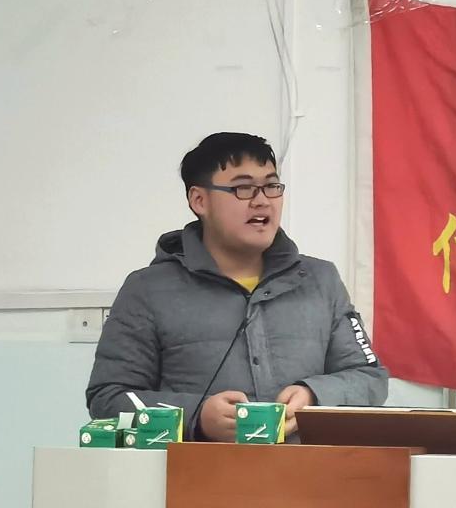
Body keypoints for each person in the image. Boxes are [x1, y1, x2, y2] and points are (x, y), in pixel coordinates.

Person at [86, 132, 388, 440]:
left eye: (271, 186)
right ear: (199, 200)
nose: (262, 200)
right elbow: (108, 398)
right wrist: (197, 417)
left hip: (306, 467)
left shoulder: (321, 281)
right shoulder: (147, 290)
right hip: (199, 469)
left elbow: (369, 379)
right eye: (243, 188)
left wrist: (314, 395)